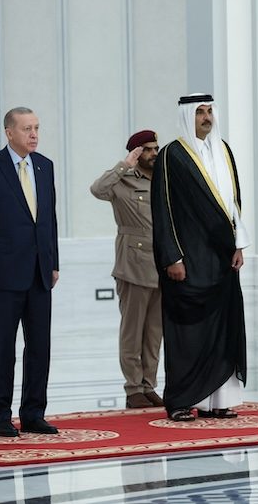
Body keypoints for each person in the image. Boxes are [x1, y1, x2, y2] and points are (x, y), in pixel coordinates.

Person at [150, 94, 250, 422]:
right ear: (187, 116)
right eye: (200, 112)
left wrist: (238, 244)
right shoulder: (171, 156)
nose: (206, 117)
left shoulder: (224, 150)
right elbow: (162, 210)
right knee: (188, 332)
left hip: (222, 259)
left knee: (224, 329)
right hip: (188, 259)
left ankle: (219, 401)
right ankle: (181, 399)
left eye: (209, 111)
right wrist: (172, 257)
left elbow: (233, 203)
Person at [0, 106, 60, 438]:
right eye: (26, 129)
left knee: (40, 346)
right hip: (3, 275)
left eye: (37, 128)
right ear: (9, 132)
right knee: (4, 347)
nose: (34, 134)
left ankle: (34, 413)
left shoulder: (44, 166)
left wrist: (53, 262)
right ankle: (0, 417)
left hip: (39, 273)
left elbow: (48, 219)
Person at [90, 130, 165, 409]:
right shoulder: (122, 181)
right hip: (133, 265)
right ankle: (133, 388)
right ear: (136, 152)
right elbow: (97, 189)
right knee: (132, 331)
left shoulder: (162, 180)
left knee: (154, 332)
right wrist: (124, 164)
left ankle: (149, 386)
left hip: (161, 265)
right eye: (147, 149)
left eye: (156, 148)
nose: (153, 154)